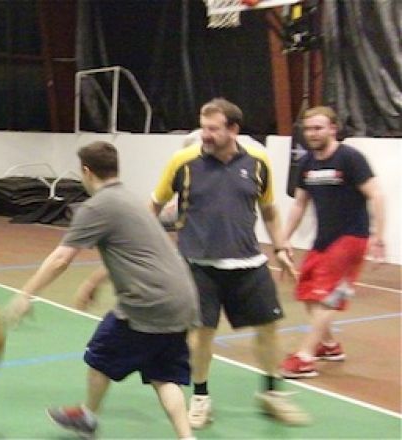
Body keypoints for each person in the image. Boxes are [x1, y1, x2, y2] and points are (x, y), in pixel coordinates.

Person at [7, 141, 200, 440]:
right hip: (183, 299)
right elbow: (135, 254)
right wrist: (93, 281)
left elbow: (61, 258)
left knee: (99, 356)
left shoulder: (98, 206)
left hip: (146, 303)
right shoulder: (131, 200)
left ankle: (87, 417)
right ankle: (187, 438)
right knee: (164, 376)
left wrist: (25, 294)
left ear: (87, 171)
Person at [150, 98, 309, 428]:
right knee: (201, 336)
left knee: (268, 329)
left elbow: (269, 210)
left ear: (233, 129)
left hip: (248, 262)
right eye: (203, 127)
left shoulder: (258, 161)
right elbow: (153, 206)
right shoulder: (183, 161)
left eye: (213, 129)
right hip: (198, 265)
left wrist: (280, 246)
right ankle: (201, 397)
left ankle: (271, 394)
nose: (205, 135)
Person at [279, 106, 385, 378]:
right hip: (323, 241)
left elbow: (376, 194)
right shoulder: (307, 163)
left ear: (332, 129)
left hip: (351, 239)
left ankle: (305, 357)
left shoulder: (349, 158)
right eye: (308, 129)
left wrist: (379, 236)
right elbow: (300, 204)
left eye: (318, 128)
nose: (312, 133)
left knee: (324, 297)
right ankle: (328, 345)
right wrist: (283, 240)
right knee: (306, 291)